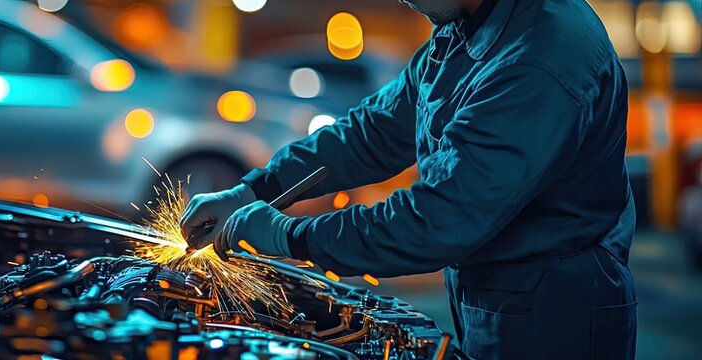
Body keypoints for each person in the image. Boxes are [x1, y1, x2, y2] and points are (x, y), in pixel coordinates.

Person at [180, 0, 637, 358]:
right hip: (501, 295)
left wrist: (288, 237)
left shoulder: (539, 58)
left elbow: (437, 219)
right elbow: (371, 133)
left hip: (556, 315)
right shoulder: (466, 30)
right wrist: (254, 190)